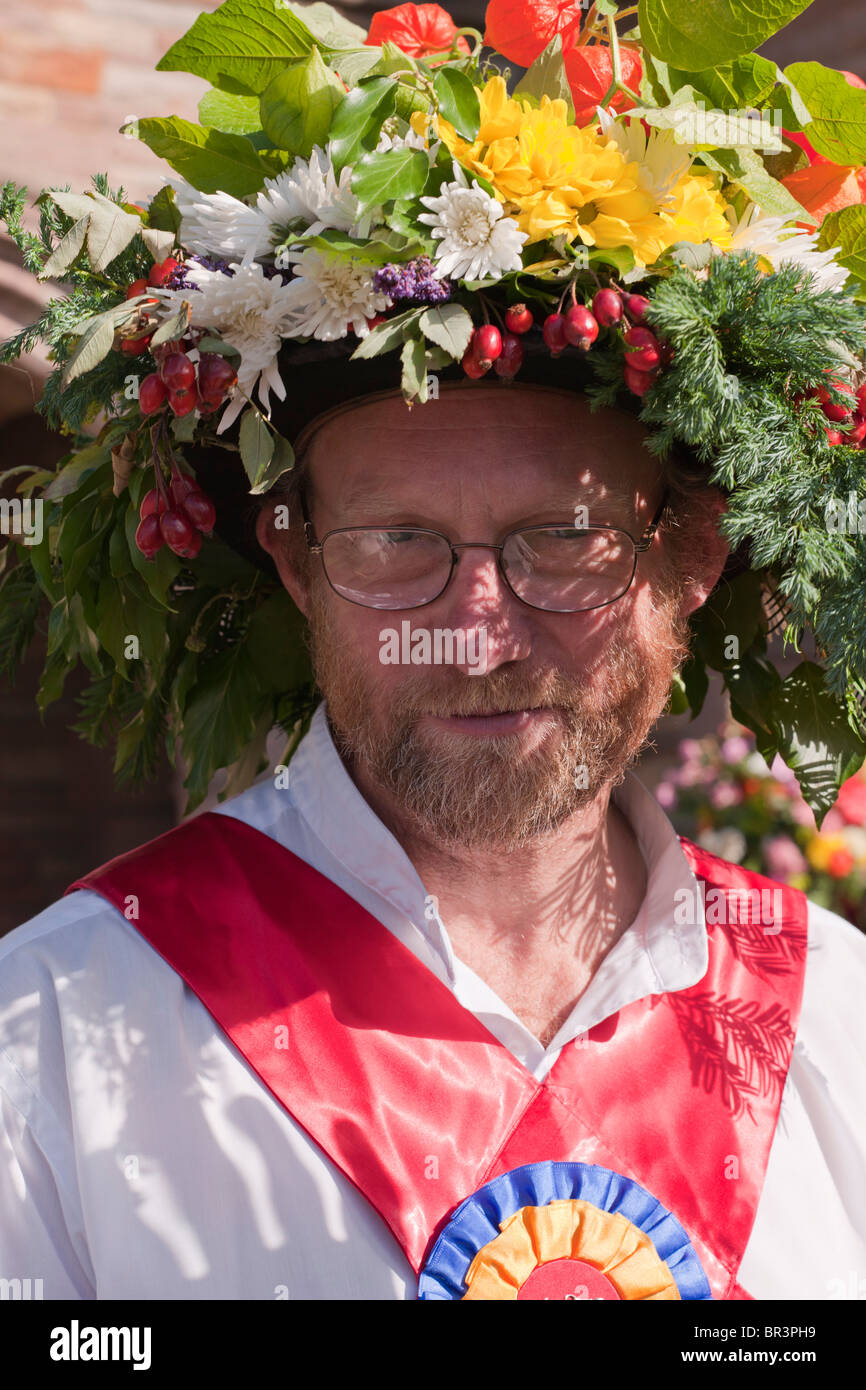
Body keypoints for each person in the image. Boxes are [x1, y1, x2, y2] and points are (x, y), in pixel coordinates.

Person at [2, 0, 866, 1304]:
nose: (476, 624)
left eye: (560, 539)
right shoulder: (52, 1041)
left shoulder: (840, 1030)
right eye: (396, 542)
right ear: (295, 562)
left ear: (694, 550)